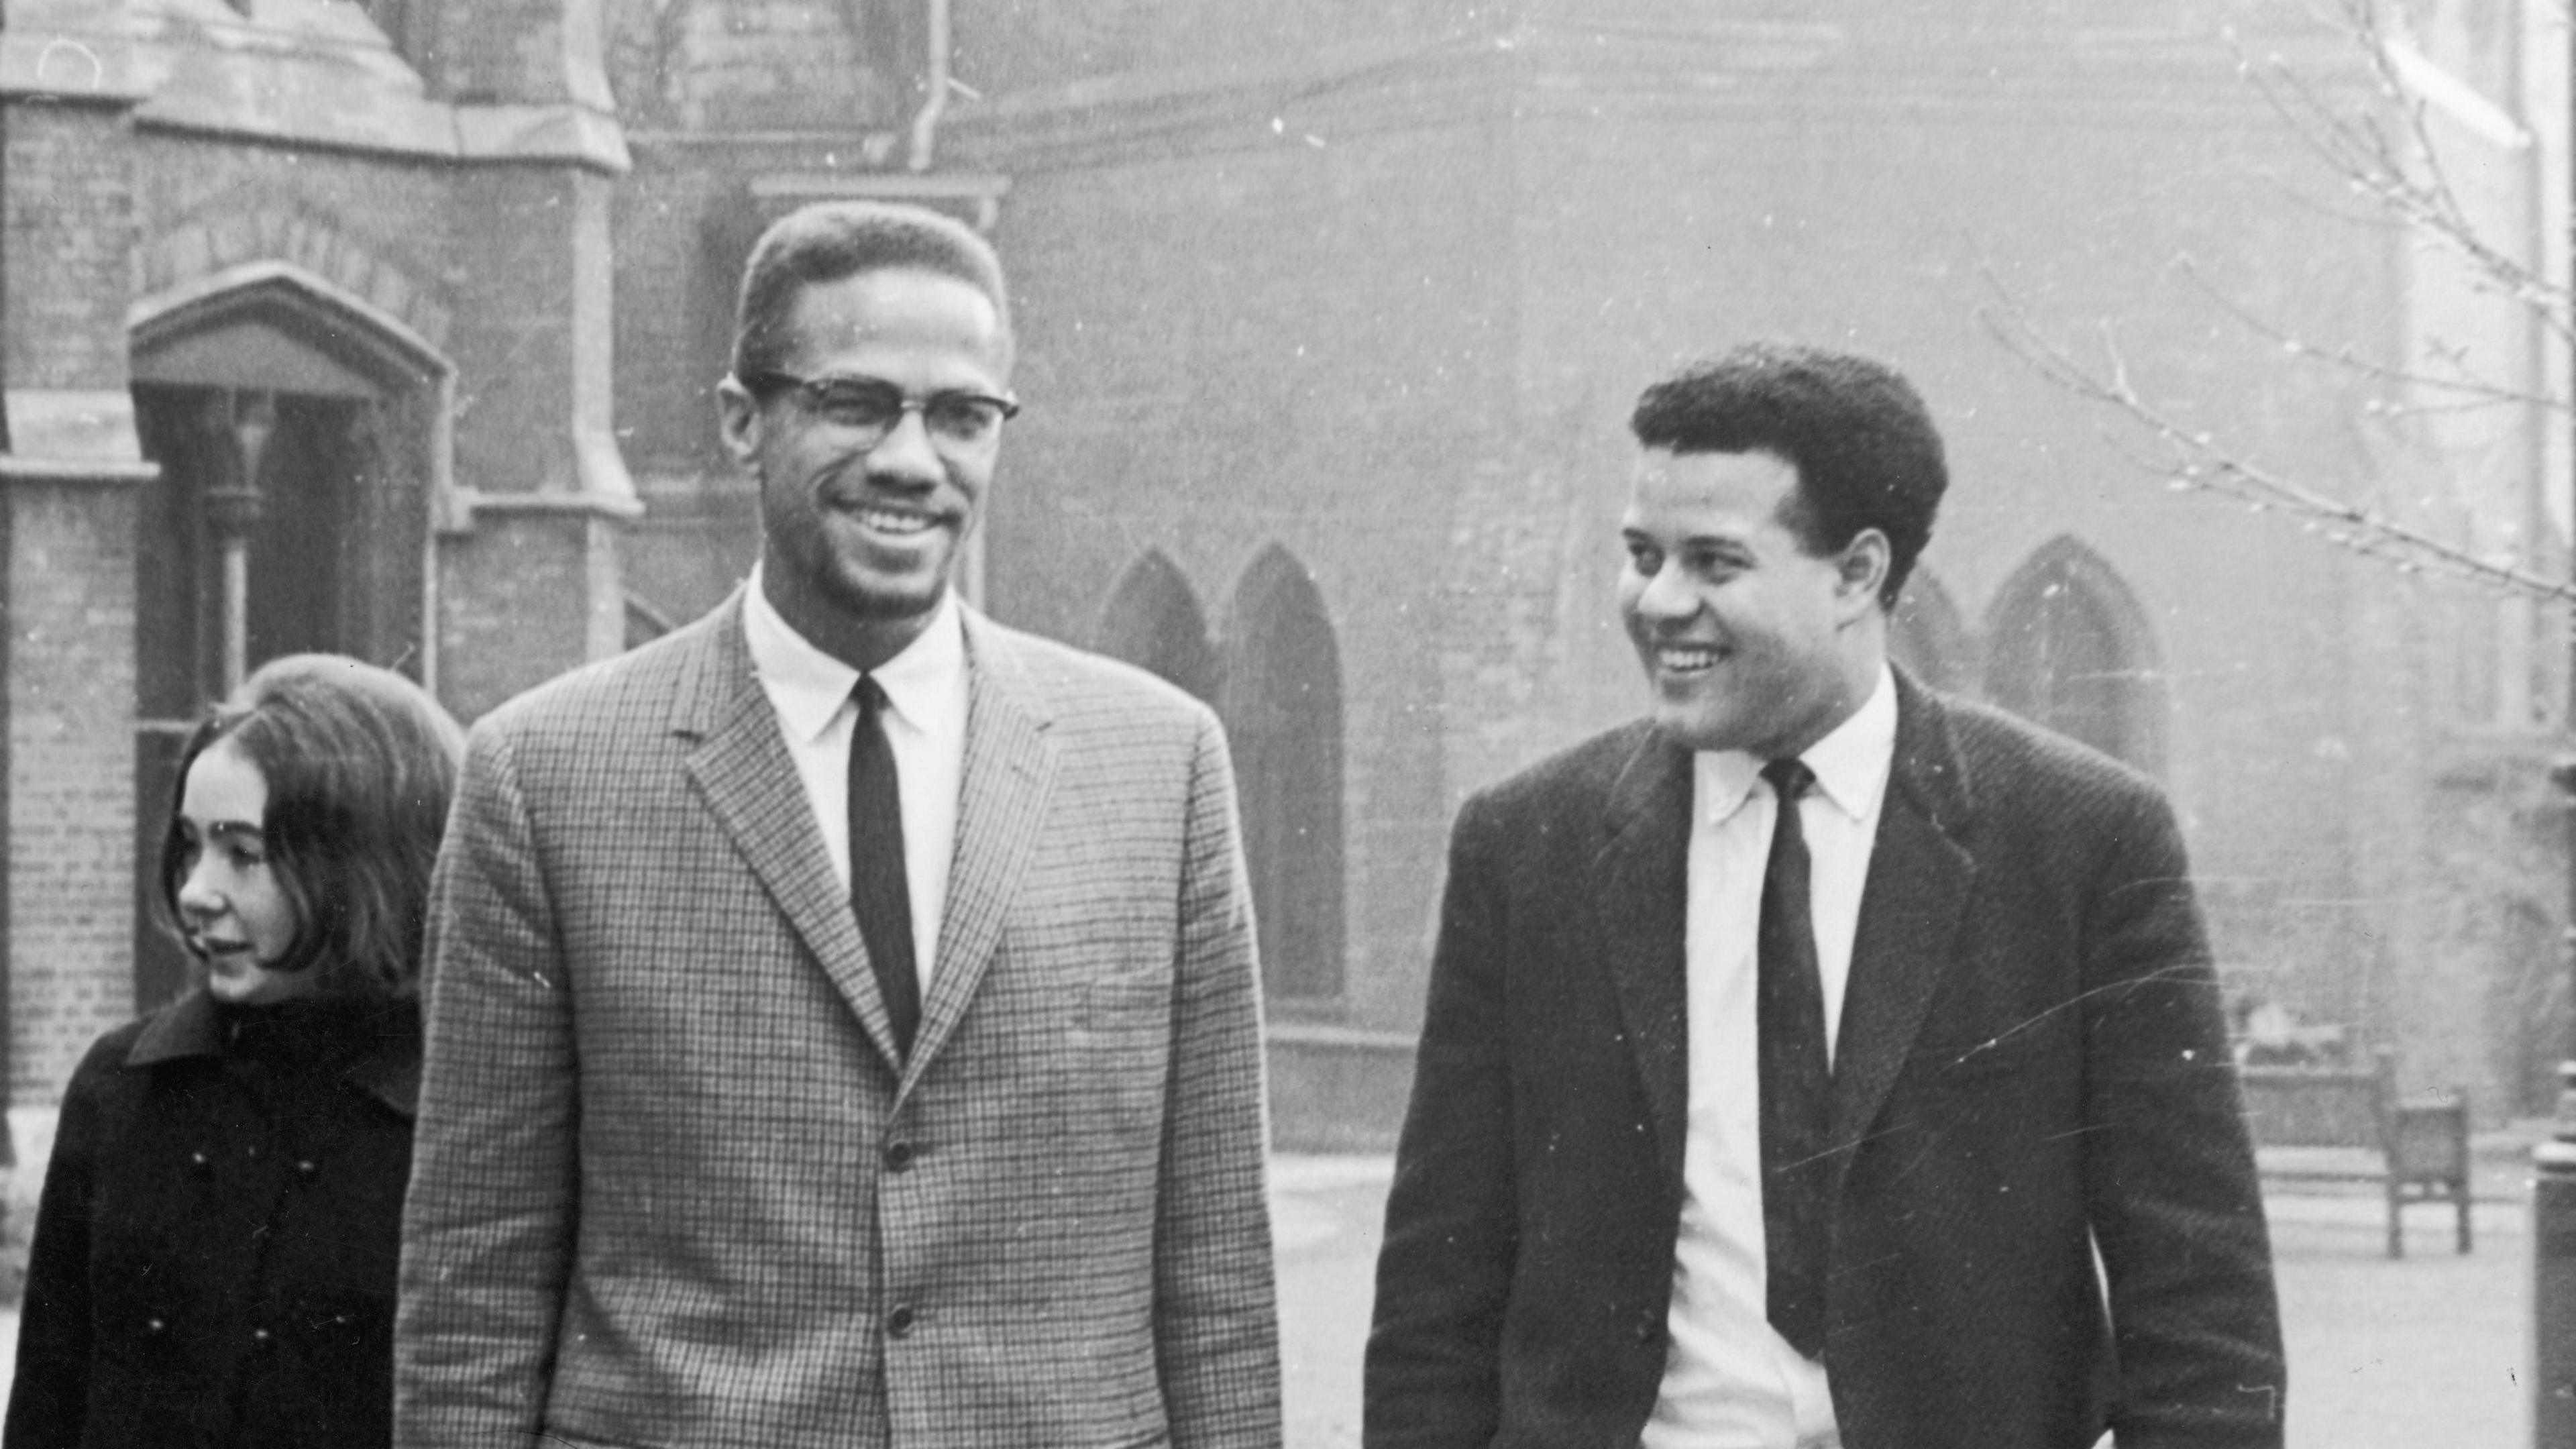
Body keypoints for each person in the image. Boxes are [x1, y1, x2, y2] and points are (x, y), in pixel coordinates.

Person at [394, 200, 1281, 1448]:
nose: (913, 460)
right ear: (743, 420)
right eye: (856, 403)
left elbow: (1218, 1272)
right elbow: (475, 1288)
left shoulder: (1161, 763)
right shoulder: (545, 777)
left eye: (963, 416)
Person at [1364, 343, 2284, 1449]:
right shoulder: (1528, 847)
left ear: (1857, 574)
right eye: (1642, 555)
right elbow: (1436, 1297)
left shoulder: (2081, 839)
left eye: (1713, 562)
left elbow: (2200, 1303)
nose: (1660, 603)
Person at [5, 655, 465, 1449]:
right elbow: (48, 1402)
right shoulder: (121, 1089)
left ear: (366, 869)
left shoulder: (462, 1116)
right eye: (189, 846)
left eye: (242, 853)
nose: (194, 890)